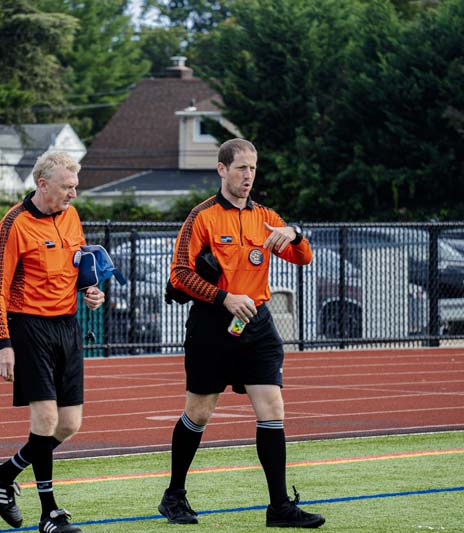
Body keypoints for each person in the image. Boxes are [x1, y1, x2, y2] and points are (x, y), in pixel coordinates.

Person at [158, 138, 325, 528]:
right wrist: (223, 297)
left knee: (273, 411)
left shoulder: (264, 216)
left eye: (252, 168)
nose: (248, 176)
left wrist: (295, 234)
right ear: (221, 170)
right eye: (240, 169)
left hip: (258, 325)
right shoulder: (200, 217)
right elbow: (179, 276)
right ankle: (174, 495)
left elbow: (303, 257)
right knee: (199, 412)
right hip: (212, 326)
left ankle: (279, 508)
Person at [0, 150, 104, 533]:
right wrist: (3, 343)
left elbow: (79, 264)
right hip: (29, 327)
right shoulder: (15, 223)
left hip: (67, 326)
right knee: (46, 418)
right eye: (67, 187)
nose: (73, 194)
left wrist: (91, 289)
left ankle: (3, 474)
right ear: (42, 184)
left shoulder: (71, 216)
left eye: (75, 187)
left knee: (68, 424)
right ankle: (49, 513)